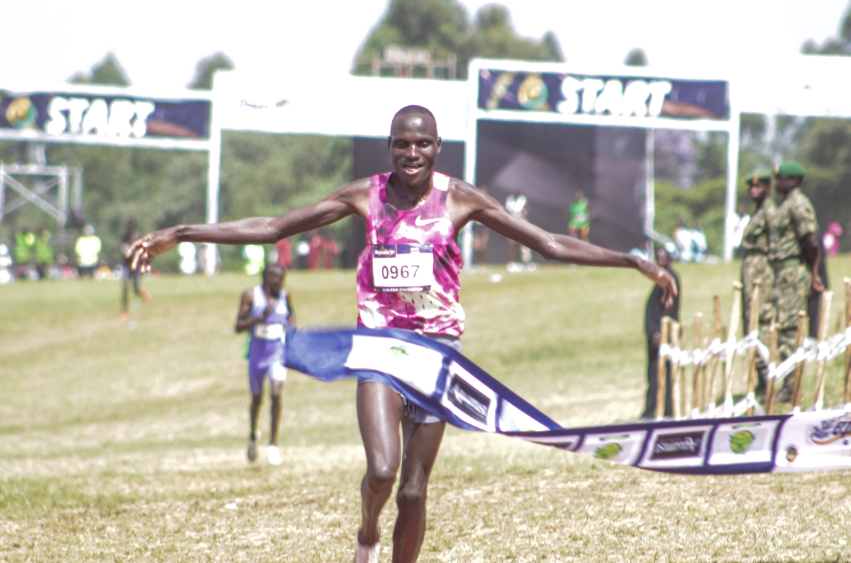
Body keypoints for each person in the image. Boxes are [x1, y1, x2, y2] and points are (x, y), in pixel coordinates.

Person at [127, 105, 677, 563]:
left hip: (439, 357)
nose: (411, 154)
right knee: (383, 472)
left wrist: (632, 261)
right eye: (400, 145)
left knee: (414, 491)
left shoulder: (460, 198)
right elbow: (274, 227)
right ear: (389, 148)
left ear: (438, 148)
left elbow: (549, 244)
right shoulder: (365, 197)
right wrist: (181, 232)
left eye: (421, 144)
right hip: (381, 348)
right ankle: (367, 536)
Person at [768, 161, 822, 402]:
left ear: (794, 181)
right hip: (782, 273)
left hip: (793, 273)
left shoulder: (798, 204)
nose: (777, 182)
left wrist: (814, 272)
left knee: (790, 329)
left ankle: (791, 386)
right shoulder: (786, 204)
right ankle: (788, 382)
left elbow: (811, 242)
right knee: (783, 328)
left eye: (782, 178)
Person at [235, 264, 294, 466]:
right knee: (257, 399)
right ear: (268, 278)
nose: (282, 282)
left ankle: (273, 444)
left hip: (277, 353)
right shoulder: (251, 296)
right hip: (257, 355)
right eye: (279, 278)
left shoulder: (285, 296)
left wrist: (291, 333)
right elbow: (238, 326)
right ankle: (253, 436)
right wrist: (259, 317)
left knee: (276, 393)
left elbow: (291, 316)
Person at [740, 172, 775, 391]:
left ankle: (767, 378)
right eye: (751, 187)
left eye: (758, 187)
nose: (753, 191)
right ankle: (760, 378)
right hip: (752, 273)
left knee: (760, 322)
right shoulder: (758, 212)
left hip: (762, 275)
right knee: (751, 323)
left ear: (767, 188)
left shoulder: (770, 212)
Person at [640, 246, 680, 419]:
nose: (660, 261)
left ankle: (656, 412)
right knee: (653, 375)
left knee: (660, 375)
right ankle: (656, 410)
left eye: (663, 258)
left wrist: (658, 333)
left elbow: (669, 309)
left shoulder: (670, 279)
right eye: (658, 258)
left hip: (661, 336)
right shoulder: (661, 278)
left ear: (671, 259)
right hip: (655, 335)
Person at [119, 220, 152, 321]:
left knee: (135, 288)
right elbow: (121, 248)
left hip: (136, 264)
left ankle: (141, 291)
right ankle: (124, 311)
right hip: (126, 264)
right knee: (125, 286)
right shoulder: (124, 236)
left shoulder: (139, 237)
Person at [504, 192, 532, 270]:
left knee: (523, 245)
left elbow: (528, 212)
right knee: (512, 245)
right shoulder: (510, 200)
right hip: (512, 225)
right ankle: (511, 263)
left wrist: (524, 213)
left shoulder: (523, 200)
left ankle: (524, 263)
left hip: (522, 224)